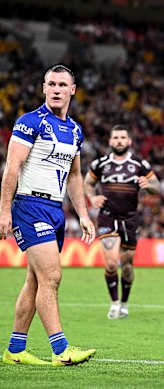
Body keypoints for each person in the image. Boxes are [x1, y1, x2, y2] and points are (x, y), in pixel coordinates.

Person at [0, 64, 97, 366]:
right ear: (43, 88)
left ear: (73, 90)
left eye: (61, 84)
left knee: (35, 280)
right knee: (52, 276)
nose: (56, 89)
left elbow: (76, 176)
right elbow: (11, 169)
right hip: (29, 207)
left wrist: (83, 214)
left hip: (56, 210)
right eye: (50, 84)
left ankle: (15, 350)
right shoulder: (30, 122)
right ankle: (61, 350)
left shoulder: (75, 130)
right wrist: (4, 211)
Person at [84, 124, 160, 319]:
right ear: (110, 141)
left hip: (130, 219)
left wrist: (148, 186)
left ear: (129, 141)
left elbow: (157, 187)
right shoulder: (100, 164)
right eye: (115, 137)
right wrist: (92, 198)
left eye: (122, 137)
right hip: (108, 216)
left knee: (126, 265)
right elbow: (88, 184)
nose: (119, 141)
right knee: (110, 264)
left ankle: (125, 303)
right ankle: (114, 303)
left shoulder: (139, 164)